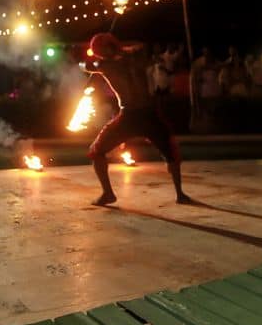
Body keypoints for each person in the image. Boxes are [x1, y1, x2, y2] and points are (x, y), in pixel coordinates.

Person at [81, 33, 191, 206]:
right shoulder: (131, 57)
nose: (101, 55)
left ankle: (180, 193)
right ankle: (108, 193)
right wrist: (120, 50)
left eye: (101, 51)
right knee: (97, 151)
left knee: (171, 152)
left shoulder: (105, 65)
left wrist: (98, 59)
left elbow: (86, 65)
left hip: (138, 115)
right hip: (137, 115)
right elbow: (140, 46)